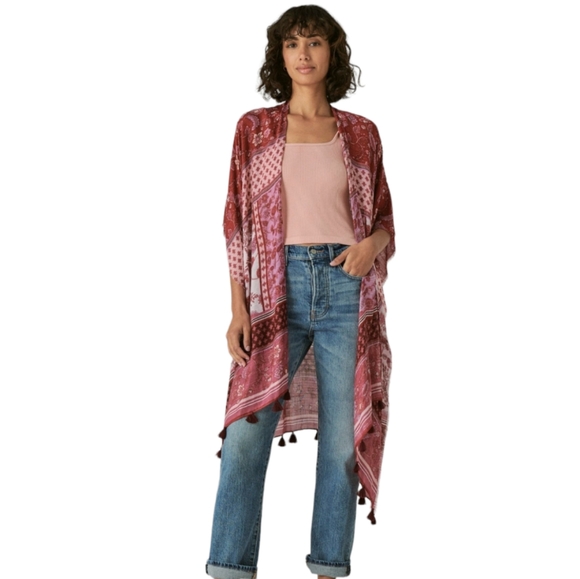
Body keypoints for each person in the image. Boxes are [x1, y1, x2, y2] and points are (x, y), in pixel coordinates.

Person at [206, 5, 395, 579]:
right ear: (280, 56)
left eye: (314, 41)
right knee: (246, 435)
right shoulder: (255, 129)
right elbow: (237, 223)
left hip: (347, 289)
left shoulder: (360, 133)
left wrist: (370, 246)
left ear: (332, 52)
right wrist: (238, 308)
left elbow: (384, 220)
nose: (304, 53)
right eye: (292, 43)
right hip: (274, 291)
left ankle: (328, 567)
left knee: (340, 444)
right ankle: (230, 569)